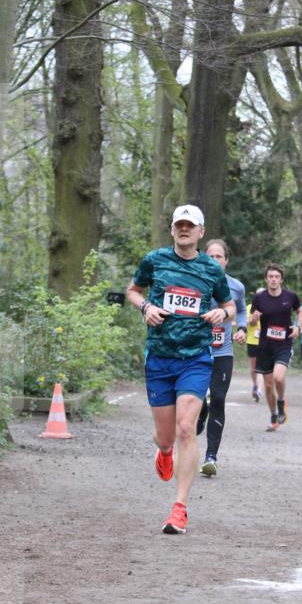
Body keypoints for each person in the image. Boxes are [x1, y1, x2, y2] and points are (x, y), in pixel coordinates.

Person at [127, 205, 235, 534]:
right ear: (172, 230)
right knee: (166, 436)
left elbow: (229, 305)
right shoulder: (155, 261)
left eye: (190, 226)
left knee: (186, 427)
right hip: (160, 357)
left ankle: (180, 508)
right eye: (179, 225)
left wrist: (223, 315)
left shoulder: (211, 270)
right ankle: (164, 451)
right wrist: (145, 307)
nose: (184, 230)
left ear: (201, 232)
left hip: (196, 357)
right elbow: (133, 290)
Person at [196, 239, 247, 477]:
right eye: (211, 256)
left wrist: (242, 329)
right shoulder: (195, 281)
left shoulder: (236, 286)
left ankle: (211, 457)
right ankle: (201, 411)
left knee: (218, 397)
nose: (215, 260)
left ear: (226, 261)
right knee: (197, 400)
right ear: (204, 257)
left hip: (222, 351)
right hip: (195, 350)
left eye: (219, 256)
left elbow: (241, 309)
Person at [250, 265, 300, 431]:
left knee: (278, 378)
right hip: (265, 345)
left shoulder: (291, 297)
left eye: (276, 276)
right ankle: (273, 414)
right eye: (270, 276)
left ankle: (281, 401)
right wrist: (253, 318)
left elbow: (300, 311)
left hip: (284, 344)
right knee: (268, 385)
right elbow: (251, 321)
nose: (273, 279)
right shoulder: (259, 298)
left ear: (281, 279)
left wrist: (298, 327)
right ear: (266, 279)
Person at [245, 302, 261, 401]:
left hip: (266, 341)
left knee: (265, 366)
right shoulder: (250, 307)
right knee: (254, 367)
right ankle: (255, 385)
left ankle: (260, 389)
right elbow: (248, 322)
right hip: (252, 340)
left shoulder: (271, 306)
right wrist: (253, 319)